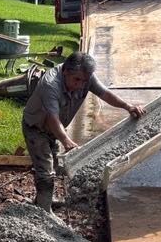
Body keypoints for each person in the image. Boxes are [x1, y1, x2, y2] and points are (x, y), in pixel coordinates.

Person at [22, 52, 146, 212]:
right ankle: (44, 212)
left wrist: (128, 106)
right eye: (77, 80)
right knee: (45, 171)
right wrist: (66, 141)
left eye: (84, 81)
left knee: (54, 164)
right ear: (65, 71)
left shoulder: (85, 77)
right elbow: (52, 118)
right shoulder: (50, 84)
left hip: (55, 129)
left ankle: (43, 200)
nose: (81, 85)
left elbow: (105, 94)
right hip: (36, 127)